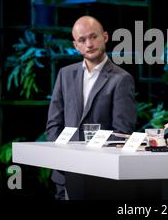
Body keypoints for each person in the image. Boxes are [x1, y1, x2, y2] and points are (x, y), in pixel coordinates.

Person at [46, 15, 136, 199]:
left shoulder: (121, 79)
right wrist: (65, 160)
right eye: (82, 40)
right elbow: (53, 124)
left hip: (101, 176)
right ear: (75, 46)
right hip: (65, 175)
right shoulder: (65, 74)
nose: (89, 44)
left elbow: (123, 131)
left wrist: (89, 156)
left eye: (93, 37)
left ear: (105, 37)